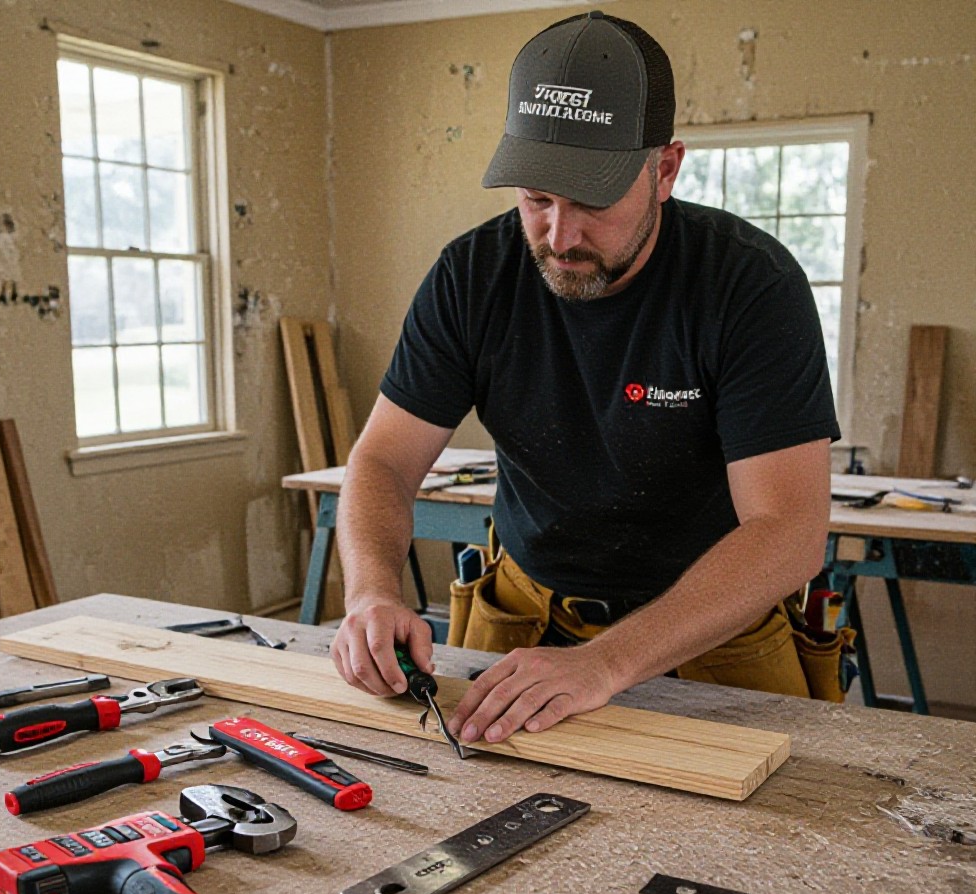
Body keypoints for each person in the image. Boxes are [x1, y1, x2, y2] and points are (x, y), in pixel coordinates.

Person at [330, 10, 842, 747]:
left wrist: (607, 662)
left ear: (664, 168)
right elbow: (382, 459)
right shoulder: (471, 276)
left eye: (593, 201)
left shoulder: (748, 286)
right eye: (536, 198)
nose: (559, 236)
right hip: (524, 609)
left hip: (711, 626)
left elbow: (788, 532)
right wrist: (371, 591)